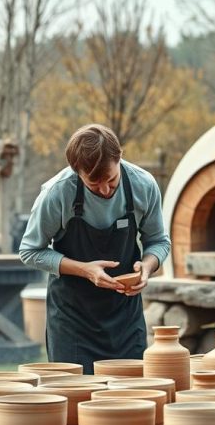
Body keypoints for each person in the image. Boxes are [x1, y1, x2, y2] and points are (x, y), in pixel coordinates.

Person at [19, 123, 171, 374]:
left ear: (119, 157)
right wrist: (85, 270)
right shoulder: (57, 194)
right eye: (93, 184)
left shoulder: (143, 185)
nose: (104, 190)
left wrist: (147, 266)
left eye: (111, 180)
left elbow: (159, 241)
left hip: (125, 316)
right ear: (76, 171)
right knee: (76, 401)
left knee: (131, 398)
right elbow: (30, 251)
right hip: (73, 320)